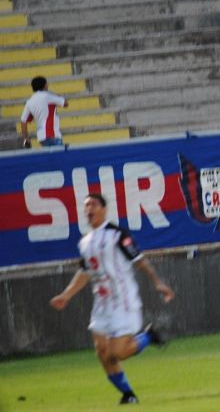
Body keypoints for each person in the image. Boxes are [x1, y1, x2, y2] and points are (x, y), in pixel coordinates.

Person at [49, 194, 176, 404]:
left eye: (93, 204)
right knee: (102, 352)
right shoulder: (85, 242)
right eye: (86, 206)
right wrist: (66, 295)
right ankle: (128, 395)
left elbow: (139, 260)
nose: (88, 209)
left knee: (118, 353)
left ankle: (148, 337)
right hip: (101, 303)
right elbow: (85, 272)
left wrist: (157, 282)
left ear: (104, 209)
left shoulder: (117, 234)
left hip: (123, 301)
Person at [20, 76, 69, 148]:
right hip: (52, 134)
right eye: (47, 83)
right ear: (44, 85)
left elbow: (23, 121)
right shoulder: (48, 96)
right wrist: (54, 94)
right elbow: (65, 103)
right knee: (60, 154)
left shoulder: (29, 101)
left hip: (41, 137)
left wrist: (26, 138)